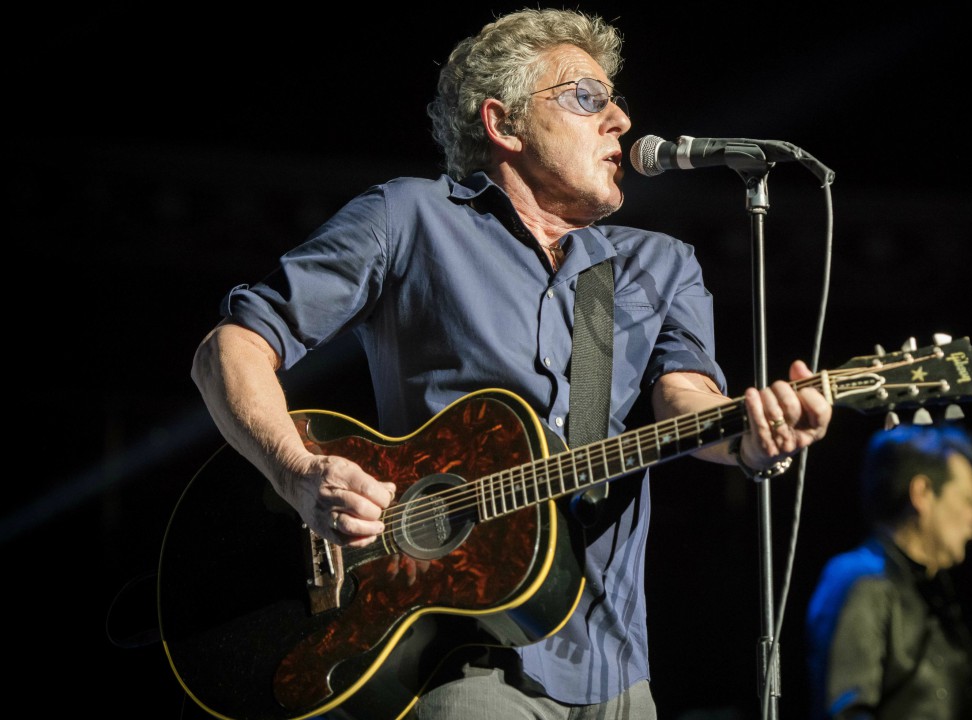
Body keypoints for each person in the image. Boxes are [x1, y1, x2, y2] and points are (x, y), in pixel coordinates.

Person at [188, 7, 832, 719]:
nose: (620, 120)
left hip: (615, 667)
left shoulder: (658, 265)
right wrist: (297, 473)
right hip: (452, 660)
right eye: (587, 97)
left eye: (615, 100)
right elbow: (232, 347)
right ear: (504, 123)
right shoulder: (410, 217)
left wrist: (750, 434)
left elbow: (686, 401)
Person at [804, 423, 972, 720]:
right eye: (968, 501)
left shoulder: (934, 592)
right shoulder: (861, 580)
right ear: (922, 493)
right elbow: (847, 711)